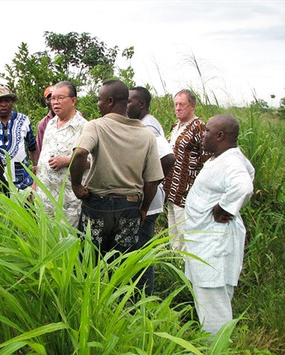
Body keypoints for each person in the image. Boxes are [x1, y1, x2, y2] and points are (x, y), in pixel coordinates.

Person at [70, 80, 164, 259]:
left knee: (90, 262)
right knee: (121, 264)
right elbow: (153, 180)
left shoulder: (96, 126)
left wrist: (77, 187)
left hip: (97, 204)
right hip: (129, 207)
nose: (98, 104)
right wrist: (143, 209)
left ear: (110, 101)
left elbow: (80, 152)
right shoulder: (147, 134)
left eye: (100, 99)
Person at [184, 114, 254, 335]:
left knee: (213, 302)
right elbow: (250, 172)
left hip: (215, 244)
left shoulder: (230, 161)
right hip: (206, 241)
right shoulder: (224, 157)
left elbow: (243, 186)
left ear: (221, 135)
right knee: (207, 300)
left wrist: (225, 206)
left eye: (207, 132)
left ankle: (217, 350)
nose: (203, 136)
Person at [127, 86, 175, 295]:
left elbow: (168, 158)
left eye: (129, 101)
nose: (125, 105)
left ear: (142, 104)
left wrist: (150, 184)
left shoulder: (148, 128)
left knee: (142, 253)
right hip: (146, 200)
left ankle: (143, 300)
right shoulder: (144, 124)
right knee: (138, 251)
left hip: (147, 204)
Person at [35, 81, 88, 226]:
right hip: (45, 198)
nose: (55, 102)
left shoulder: (84, 127)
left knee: (66, 241)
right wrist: (35, 184)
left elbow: (92, 161)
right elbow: (42, 157)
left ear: (73, 100)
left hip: (68, 201)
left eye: (60, 98)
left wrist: (67, 160)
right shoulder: (50, 124)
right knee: (45, 242)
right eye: (53, 99)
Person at [163, 89, 210, 251]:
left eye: (182, 104)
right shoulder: (176, 125)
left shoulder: (199, 127)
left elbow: (206, 159)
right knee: (172, 229)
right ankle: (175, 262)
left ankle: (186, 266)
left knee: (185, 231)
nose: (178, 108)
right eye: (176, 104)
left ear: (192, 106)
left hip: (186, 190)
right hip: (170, 187)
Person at [0, 86, 39, 190]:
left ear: (12, 102)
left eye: (7, 100)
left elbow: (32, 146)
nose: (3, 104)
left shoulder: (23, 120)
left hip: (22, 180)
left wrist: (35, 168)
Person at [36, 85, 55, 154]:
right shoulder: (43, 123)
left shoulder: (75, 116)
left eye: (55, 98)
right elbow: (39, 148)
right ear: (46, 102)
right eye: (50, 99)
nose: (53, 102)